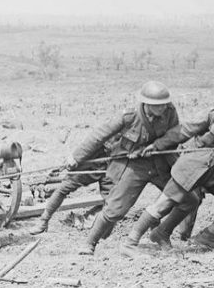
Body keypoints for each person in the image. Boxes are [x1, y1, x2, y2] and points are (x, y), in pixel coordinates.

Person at [121, 90, 214, 256]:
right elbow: (184, 131)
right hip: (194, 167)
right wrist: (159, 145)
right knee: (164, 203)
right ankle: (130, 243)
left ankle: (206, 236)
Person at [77, 81, 180, 255]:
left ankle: (161, 233)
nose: (163, 108)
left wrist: (156, 146)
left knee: (186, 197)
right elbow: (100, 135)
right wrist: (77, 157)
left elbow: (174, 136)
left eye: (164, 104)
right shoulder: (130, 116)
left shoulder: (170, 112)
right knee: (115, 209)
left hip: (160, 162)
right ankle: (89, 243)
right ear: (146, 104)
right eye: (158, 105)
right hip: (134, 166)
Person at [28, 136, 115, 235]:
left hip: (110, 166)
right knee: (63, 189)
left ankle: (94, 221)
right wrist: (76, 157)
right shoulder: (119, 122)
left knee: (111, 198)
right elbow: (94, 139)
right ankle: (43, 221)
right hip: (91, 162)